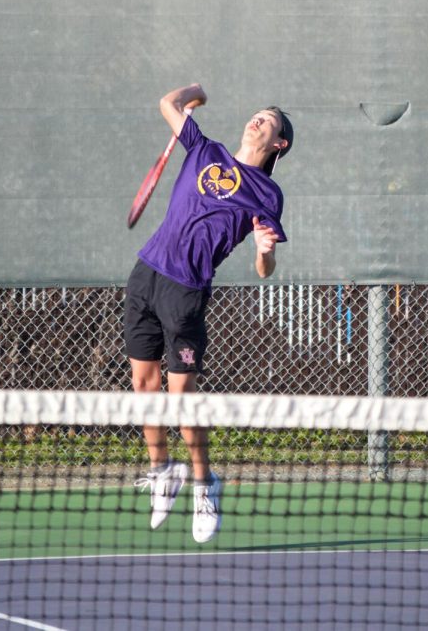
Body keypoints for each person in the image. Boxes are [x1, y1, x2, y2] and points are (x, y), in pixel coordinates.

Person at [125, 83, 293, 543]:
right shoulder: (205, 148)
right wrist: (196, 90)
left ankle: (204, 483)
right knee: (143, 385)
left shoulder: (266, 193)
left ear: (279, 143)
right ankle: (162, 471)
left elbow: (264, 270)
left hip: (187, 290)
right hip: (146, 273)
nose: (258, 119)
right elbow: (167, 103)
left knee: (181, 397)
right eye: (256, 113)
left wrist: (264, 252)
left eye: (269, 120)